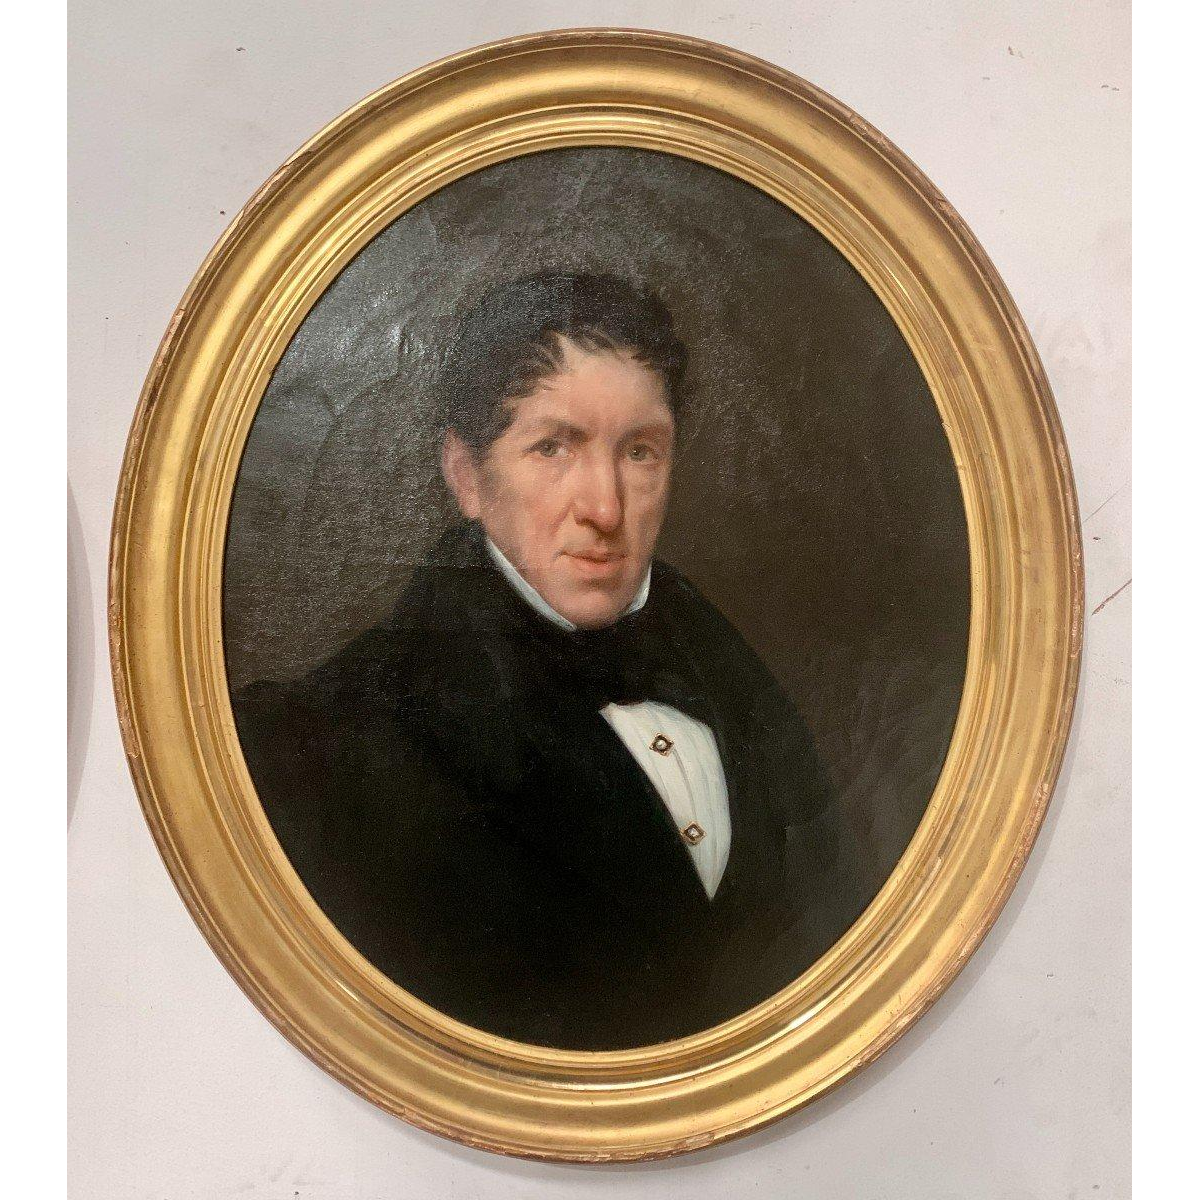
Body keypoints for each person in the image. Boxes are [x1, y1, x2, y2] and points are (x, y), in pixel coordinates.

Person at [234, 272, 836, 1050]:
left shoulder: (732, 676)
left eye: (640, 451)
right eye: (554, 447)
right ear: (467, 478)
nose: (605, 508)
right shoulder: (326, 743)